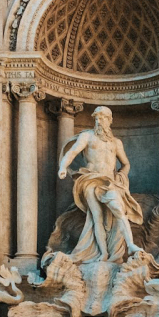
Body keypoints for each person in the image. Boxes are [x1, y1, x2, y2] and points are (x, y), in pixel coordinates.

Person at [57, 106, 144, 263]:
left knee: (119, 210)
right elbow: (72, 152)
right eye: (97, 117)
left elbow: (126, 164)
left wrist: (122, 175)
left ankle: (130, 245)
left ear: (110, 120)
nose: (99, 120)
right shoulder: (87, 136)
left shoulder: (116, 143)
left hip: (109, 182)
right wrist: (63, 167)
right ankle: (103, 253)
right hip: (90, 180)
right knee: (96, 217)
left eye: (103, 117)